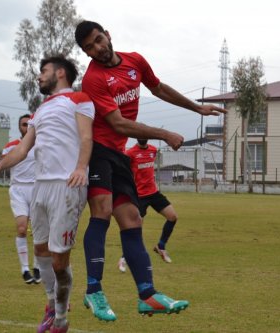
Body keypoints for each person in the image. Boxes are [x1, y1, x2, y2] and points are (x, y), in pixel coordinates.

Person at [74, 20, 227, 320]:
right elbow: (117, 123)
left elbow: (159, 89)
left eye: (98, 40)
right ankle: (94, 291)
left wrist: (197, 109)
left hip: (117, 155)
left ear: (108, 34)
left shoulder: (135, 60)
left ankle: (148, 295)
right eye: (89, 48)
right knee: (102, 211)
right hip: (98, 151)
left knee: (132, 219)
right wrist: (165, 133)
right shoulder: (93, 78)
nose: (97, 49)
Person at [0, 56, 94, 333]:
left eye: (42, 71)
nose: (38, 76)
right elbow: (22, 150)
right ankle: (50, 304)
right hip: (40, 186)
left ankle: (60, 319)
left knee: (59, 260)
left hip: (67, 185)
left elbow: (86, 137)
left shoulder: (80, 99)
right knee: (40, 250)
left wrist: (81, 167)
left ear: (60, 73)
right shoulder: (40, 110)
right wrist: (0, 164)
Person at [118, 139, 178, 273]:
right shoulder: (130, 153)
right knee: (134, 228)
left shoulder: (153, 150)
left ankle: (161, 246)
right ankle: (124, 257)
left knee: (172, 217)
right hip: (139, 196)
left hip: (154, 193)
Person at [0, 114, 40, 285]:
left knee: (39, 231)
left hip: (38, 189)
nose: (26, 127)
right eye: (23, 124)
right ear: (19, 127)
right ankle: (25, 269)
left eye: (28, 124)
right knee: (22, 228)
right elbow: (1, 162)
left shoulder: (40, 145)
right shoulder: (11, 147)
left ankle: (37, 266)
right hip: (18, 190)